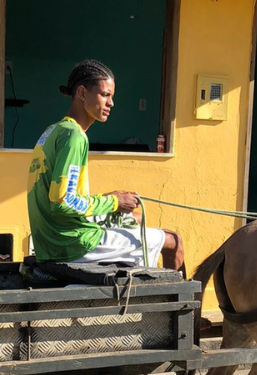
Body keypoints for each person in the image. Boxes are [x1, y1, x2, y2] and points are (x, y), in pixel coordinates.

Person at [27, 60, 185, 273]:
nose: (111, 103)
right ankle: (176, 305)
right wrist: (113, 201)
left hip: (52, 237)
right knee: (173, 242)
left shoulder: (53, 131)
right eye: (105, 95)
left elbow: (59, 197)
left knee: (135, 219)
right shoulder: (75, 137)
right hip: (71, 243)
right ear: (82, 93)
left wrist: (110, 199)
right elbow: (62, 202)